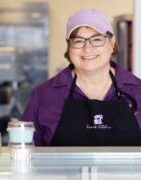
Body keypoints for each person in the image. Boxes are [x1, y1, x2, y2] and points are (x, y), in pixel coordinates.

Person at [22, 9, 141, 146]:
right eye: (78, 41)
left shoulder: (138, 90)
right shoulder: (43, 95)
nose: (87, 48)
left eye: (97, 39)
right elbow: (22, 153)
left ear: (112, 42)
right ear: (69, 46)